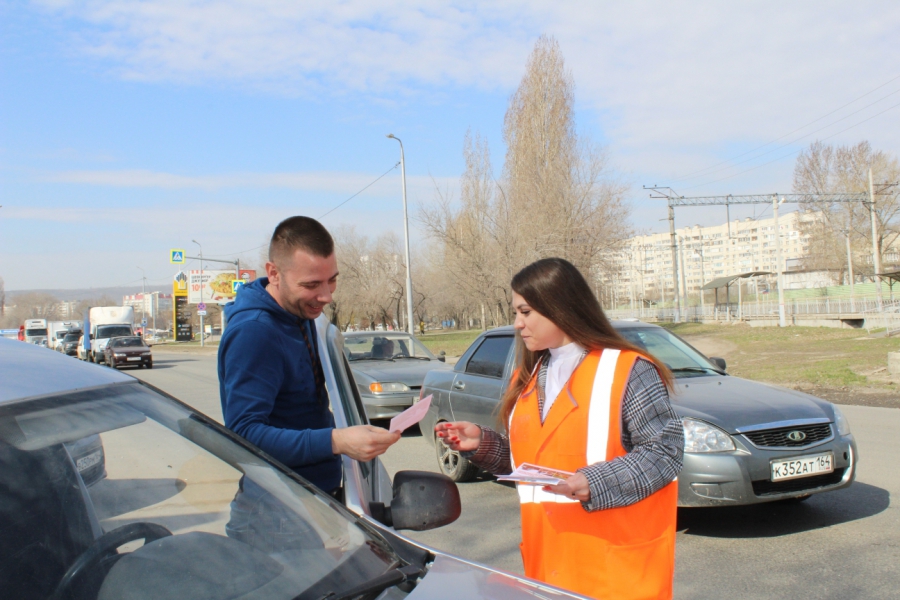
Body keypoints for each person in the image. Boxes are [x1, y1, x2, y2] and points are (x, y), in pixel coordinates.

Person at [436, 258, 683, 600]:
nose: (517, 324)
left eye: (525, 312)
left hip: (614, 573)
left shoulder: (627, 369)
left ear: (560, 307)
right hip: (548, 567)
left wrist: (593, 483)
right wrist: (483, 444)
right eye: (515, 313)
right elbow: (536, 465)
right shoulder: (527, 378)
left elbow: (664, 453)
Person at [219, 216, 400, 497]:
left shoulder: (299, 312)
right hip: (277, 508)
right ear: (274, 273)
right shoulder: (254, 332)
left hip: (314, 498)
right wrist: (336, 441)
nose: (326, 296)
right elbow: (244, 435)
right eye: (312, 284)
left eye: (332, 280)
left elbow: (302, 408)